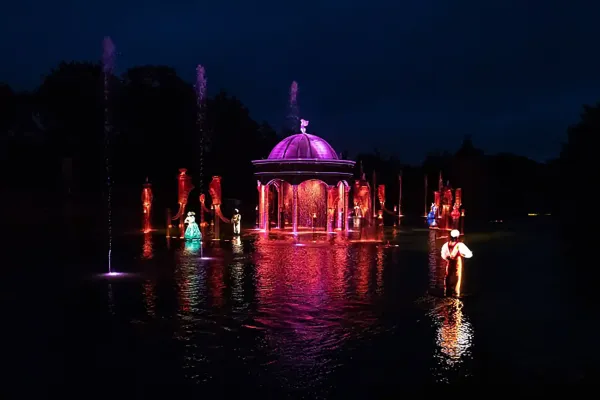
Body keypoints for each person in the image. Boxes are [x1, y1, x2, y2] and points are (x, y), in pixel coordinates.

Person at [440, 229, 472, 297]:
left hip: (449, 262)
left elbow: (443, 255)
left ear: (450, 236)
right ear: (457, 237)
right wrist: (463, 255)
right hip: (457, 262)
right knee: (458, 278)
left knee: (447, 276)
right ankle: (456, 293)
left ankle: (446, 292)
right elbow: (470, 254)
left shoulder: (446, 245)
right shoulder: (460, 245)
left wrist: (447, 258)